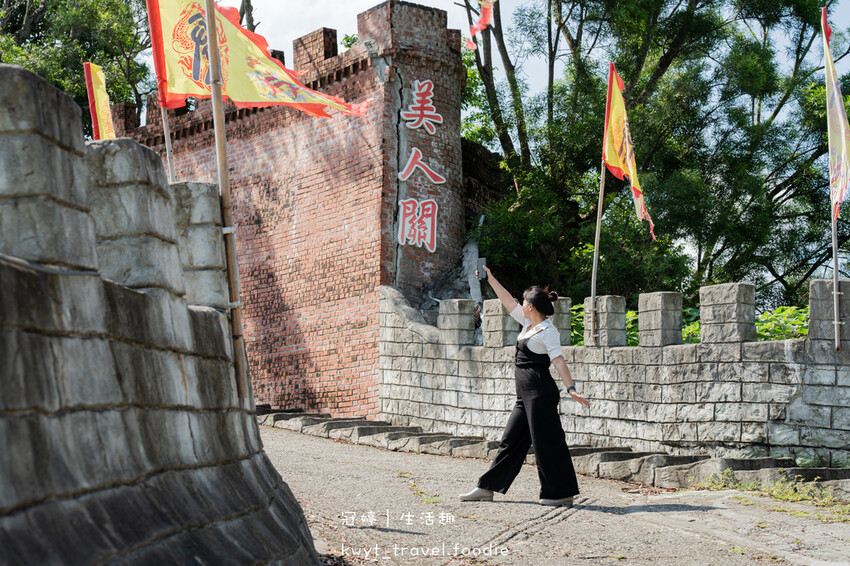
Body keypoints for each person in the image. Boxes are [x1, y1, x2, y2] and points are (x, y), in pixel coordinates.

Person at [460, 265, 590, 507]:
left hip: (540, 393)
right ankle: (487, 487)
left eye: (524, 301)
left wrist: (571, 389)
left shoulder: (547, 331)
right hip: (526, 396)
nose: (520, 304)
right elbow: (508, 301)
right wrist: (490, 279)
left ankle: (560, 493)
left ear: (531, 306)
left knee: (547, 443)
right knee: (510, 441)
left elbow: (558, 360)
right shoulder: (528, 324)